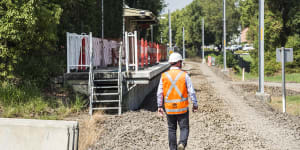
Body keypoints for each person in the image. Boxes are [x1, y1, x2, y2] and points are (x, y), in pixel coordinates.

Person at [157, 52, 198, 150]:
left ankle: (173, 149)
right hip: (182, 108)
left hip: (169, 109)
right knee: (184, 128)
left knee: (171, 129)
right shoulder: (184, 75)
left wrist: (159, 106)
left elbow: (159, 93)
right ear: (179, 63)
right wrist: (195, 104)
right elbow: (191, 91)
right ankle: (182, 143)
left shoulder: (164, 76)